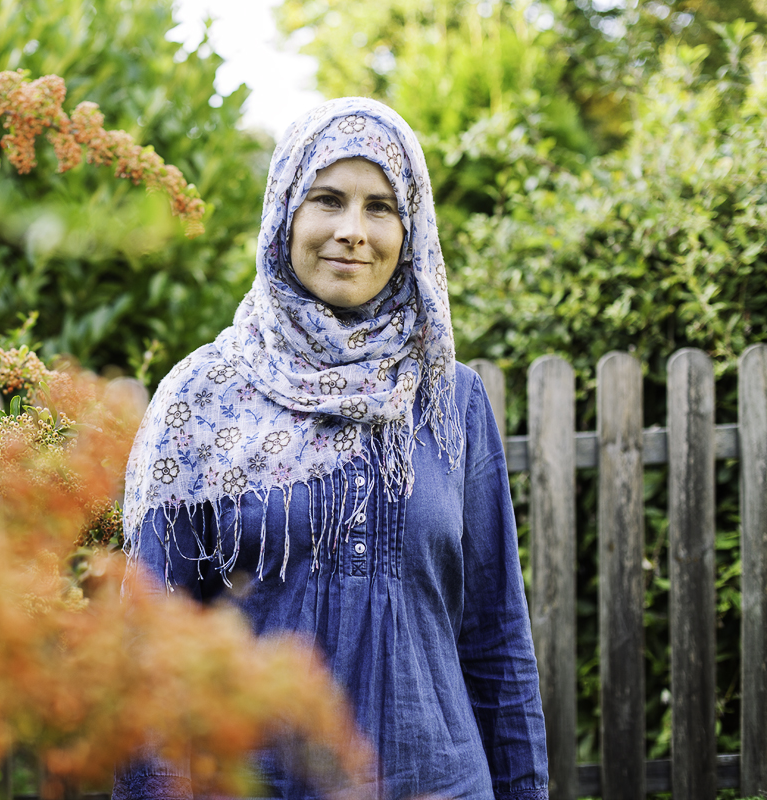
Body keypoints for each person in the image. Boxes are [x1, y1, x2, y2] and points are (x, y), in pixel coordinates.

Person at [116, 97, 549, 800]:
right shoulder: (203, 397)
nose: (353, 231)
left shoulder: (449, 397)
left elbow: (496, 639)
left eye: (380, 206)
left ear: (411, 232)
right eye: (328, 199)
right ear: (286, 212)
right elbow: (150, 648)